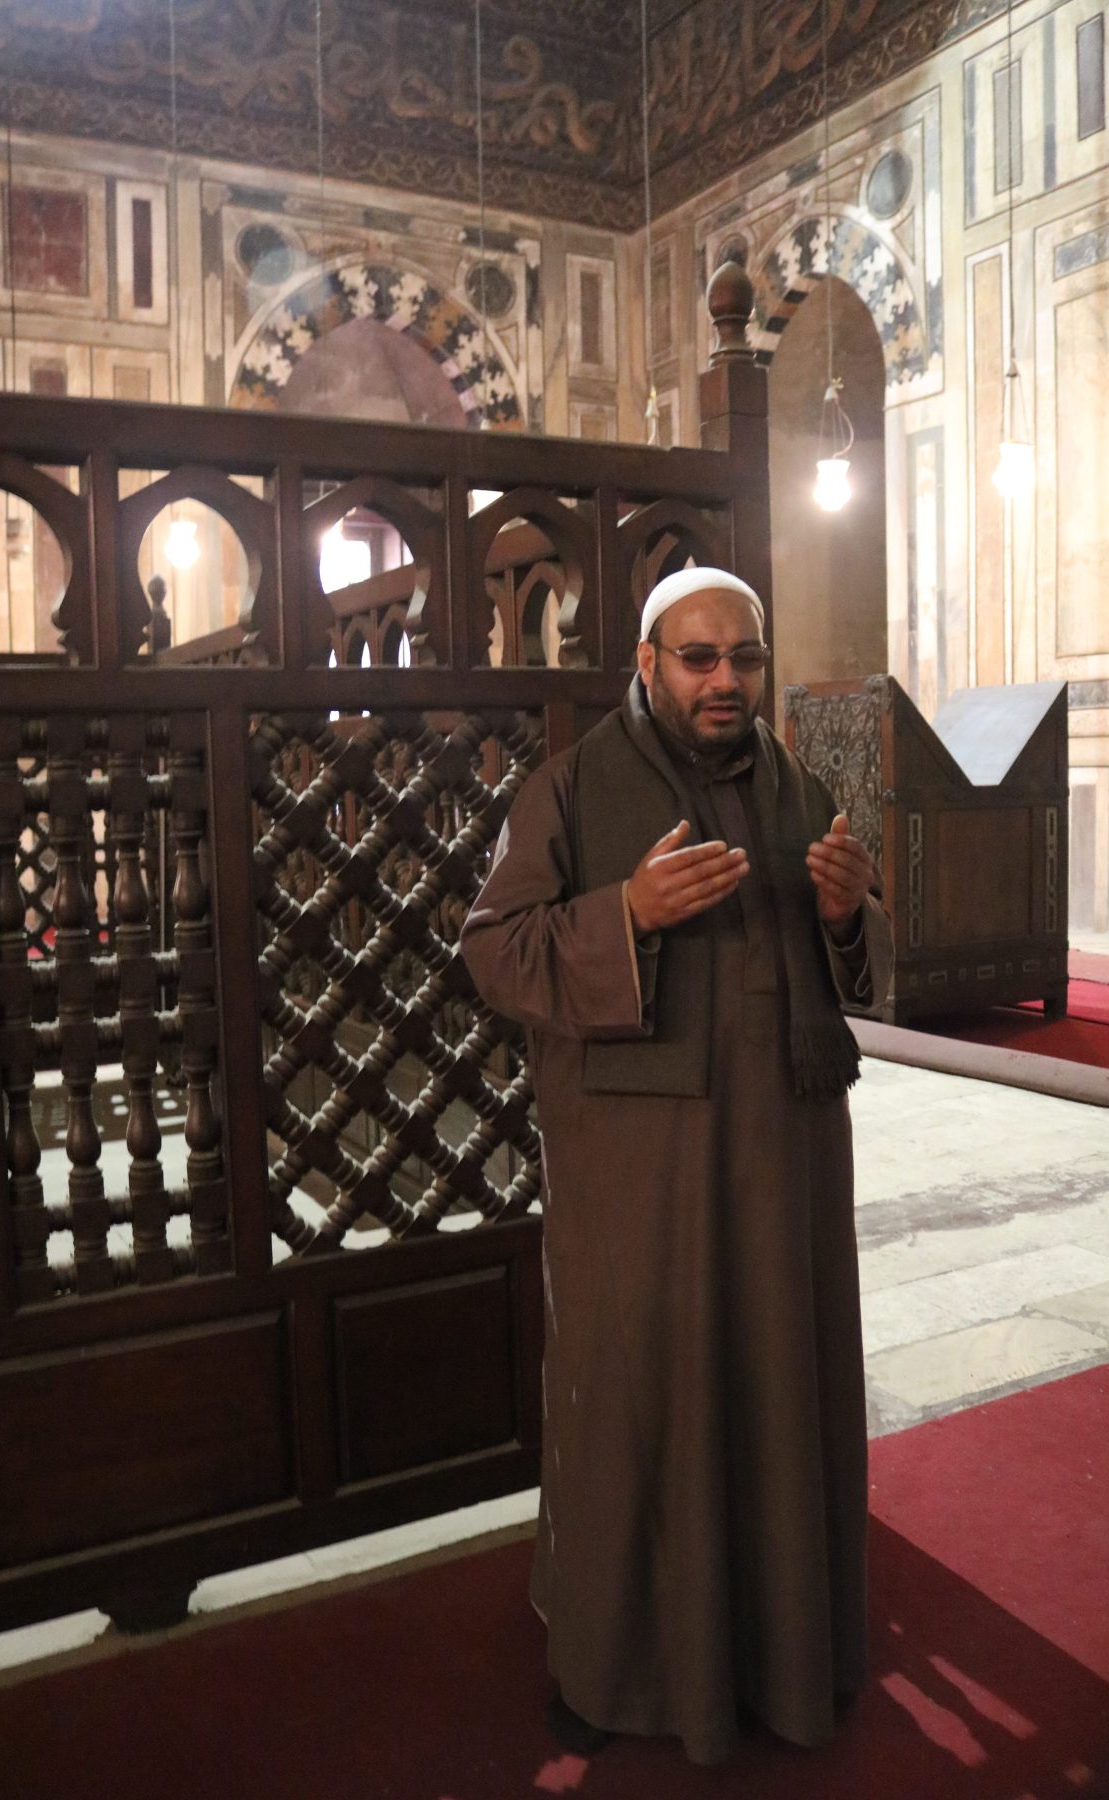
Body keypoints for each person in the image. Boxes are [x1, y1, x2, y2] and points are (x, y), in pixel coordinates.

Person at [459, 567, 893, 1767]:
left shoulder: (799, 784)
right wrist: (628, 916)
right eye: (698, 659)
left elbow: (855, 961)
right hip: (641, 1175)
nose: (725, 681)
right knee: (645, 1403)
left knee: (778, 1389)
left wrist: (853, 915)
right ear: (645, 663)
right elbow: (491, 953)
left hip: (788, 1162)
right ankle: (631, 1666)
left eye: (743, 660)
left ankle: (785, 1651)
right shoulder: (572, 787)